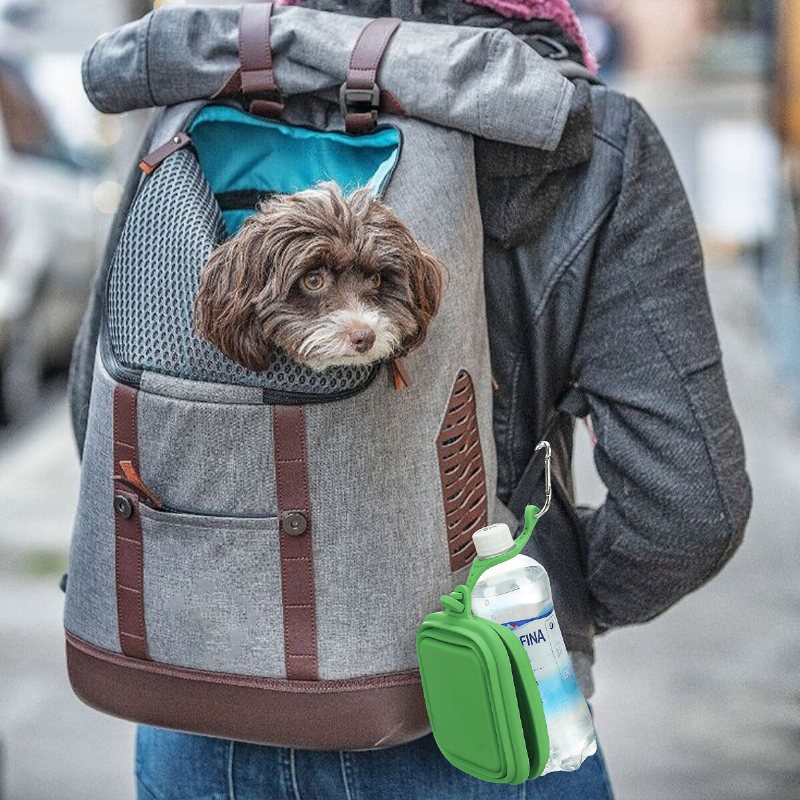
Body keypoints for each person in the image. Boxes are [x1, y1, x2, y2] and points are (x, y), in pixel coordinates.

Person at [133, 1, 752, 798]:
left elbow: (109, 411)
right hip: (482, 698)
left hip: (204, 699)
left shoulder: (191, 103)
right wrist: (553, 594)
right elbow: (691, 509)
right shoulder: (591, 137)